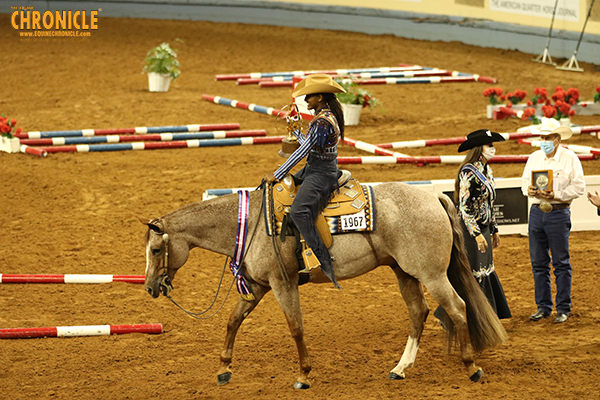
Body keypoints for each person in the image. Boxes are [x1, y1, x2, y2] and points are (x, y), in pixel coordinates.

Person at [265, 74, 345, 289]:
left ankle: (322, 259)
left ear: (319, 97)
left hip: (321, 173)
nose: (306, 100)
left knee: (299, 211)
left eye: (309, 97)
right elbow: (310, 144)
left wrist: (279, 172)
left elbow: (304, 151)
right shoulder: (324, 116)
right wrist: (295, 132)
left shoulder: (321, 121)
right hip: (316, 167)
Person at [435, 129, 512, 324]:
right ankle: (467, 316)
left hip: (483, 228)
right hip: (471, 230)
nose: (493, 149)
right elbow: (464, 205)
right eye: (490, 146)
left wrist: (493, 229)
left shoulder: (487, 170)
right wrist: (476, 233)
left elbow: (489, 203)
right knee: (475, 271)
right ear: (479, 149)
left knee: (485, 269)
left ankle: (482, 315)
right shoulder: (468, 172)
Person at [521, 118, 585, 324]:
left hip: (558, 211)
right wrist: (529, 190)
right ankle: (544, 307)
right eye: (542, 137)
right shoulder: (534, 157)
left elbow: (579, 187)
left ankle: (562, 308)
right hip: (537, 211)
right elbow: (524, 183)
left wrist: (556, 194)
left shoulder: (570, 158)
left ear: (557, 139)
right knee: (538, 263)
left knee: (560, 263)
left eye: (548, 138)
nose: (544, 141)